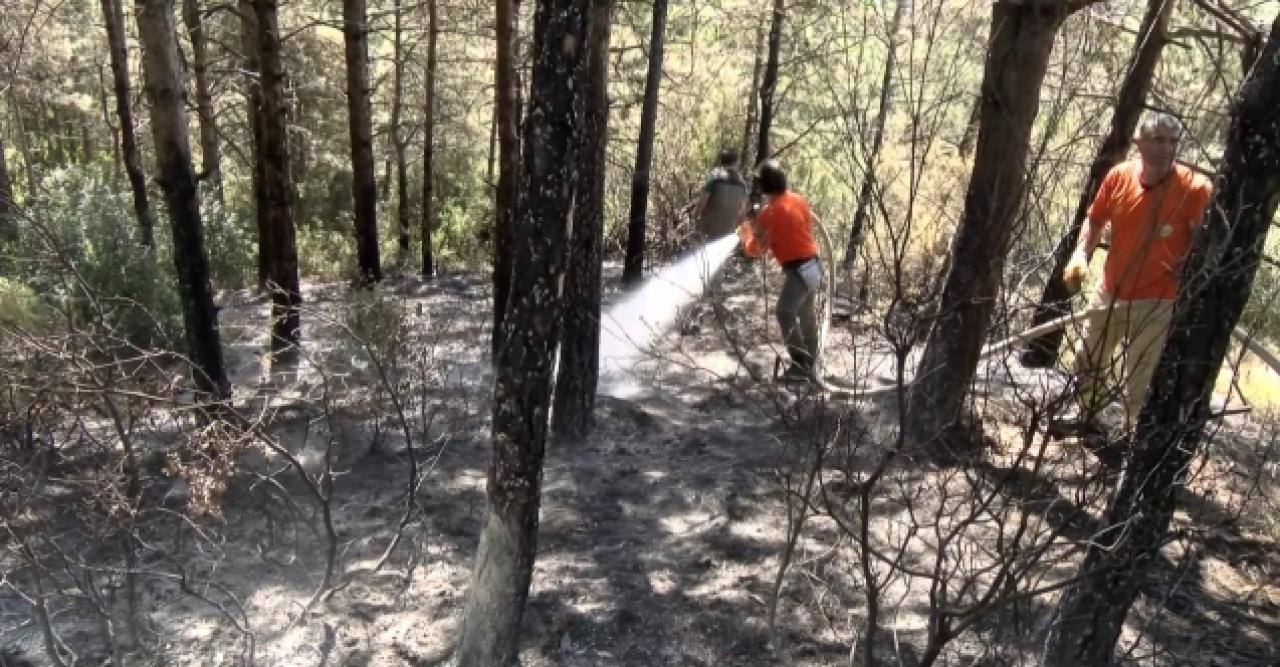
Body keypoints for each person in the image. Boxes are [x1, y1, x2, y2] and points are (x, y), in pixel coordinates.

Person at [1061, 111, 1213, 431]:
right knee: (1088, 360)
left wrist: (1187, 266)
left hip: (1159, 299)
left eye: (1173, 142)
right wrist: (1080, 254)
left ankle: (1132, 441)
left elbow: (1205, 242)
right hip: (1111, 289)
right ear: (1138, 142)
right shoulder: (1119, 176)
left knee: (1141, 377)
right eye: (1157, 140)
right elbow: (1096, 217)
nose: (1166, 148)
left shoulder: (1195, 188)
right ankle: (1088, 419)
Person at [738, 159, 823, 382]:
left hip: (798, 270)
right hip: (813, 265)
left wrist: (746, 232)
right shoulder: (799, 200)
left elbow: (755, 251)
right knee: (807, 316)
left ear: (763, 185)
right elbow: (798, 228)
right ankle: (811, 363)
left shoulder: (770, 213)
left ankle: (799, 364)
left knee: (784, 313)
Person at [694, 149, 749, 239]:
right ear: (736, 163)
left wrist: (696, 219)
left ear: (721, 161)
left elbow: (701, 204)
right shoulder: (742, 184)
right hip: (728, 233)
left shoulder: (714, 179)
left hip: (709, 230)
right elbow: (742, 213)